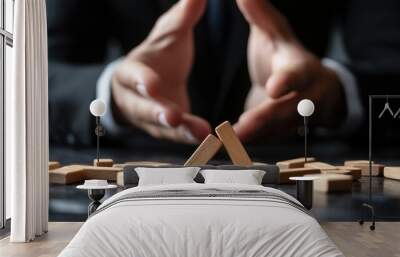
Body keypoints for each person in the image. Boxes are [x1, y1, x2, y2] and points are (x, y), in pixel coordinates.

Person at [47, 0, 400, 147]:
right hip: (139, 172)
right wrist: (113, 95)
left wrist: (333, 92)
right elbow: (32, 77)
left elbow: (391, 66)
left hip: (299, 166)